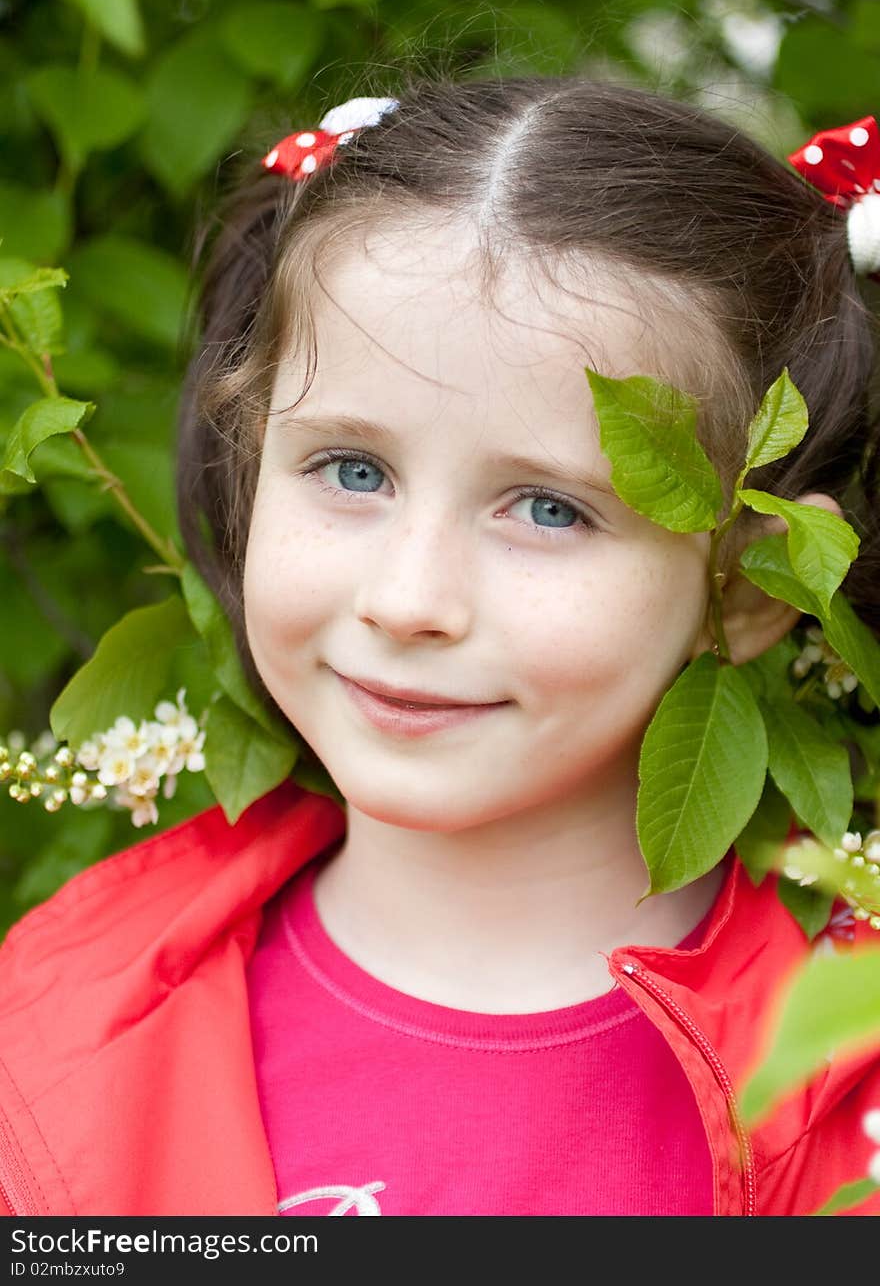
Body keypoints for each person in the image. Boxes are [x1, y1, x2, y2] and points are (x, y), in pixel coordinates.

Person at [1, 75, 879, 1218]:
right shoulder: (47, 1023)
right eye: (351, 470)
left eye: (549, 508)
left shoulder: (845, 1089)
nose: (409, 600)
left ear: (750, 584)